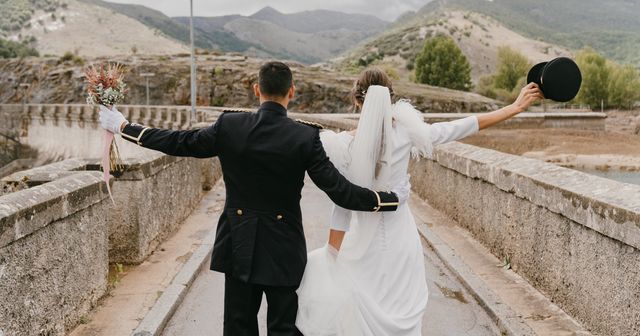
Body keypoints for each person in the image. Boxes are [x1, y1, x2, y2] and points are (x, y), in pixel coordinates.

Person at [98, 61, 409, 336]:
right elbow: (341, 191)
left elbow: (179, 142)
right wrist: (389, 199)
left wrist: (125, 127)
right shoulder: (304, 137)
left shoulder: (229, 126)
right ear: (292, 92)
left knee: (238, 326)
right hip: (284, 249)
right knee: (284, 329)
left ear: (256, 90)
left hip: (239, 243)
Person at [296, 68, 543, 335]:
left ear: (357, 101)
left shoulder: (343, 145)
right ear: (391, 99)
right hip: (401, 241)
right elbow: (462, 126)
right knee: (403, 307)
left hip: (361, 246)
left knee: (360, 309)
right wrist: (515, 107)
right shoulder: (407, 134)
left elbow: (342, 203)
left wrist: (332, 252)